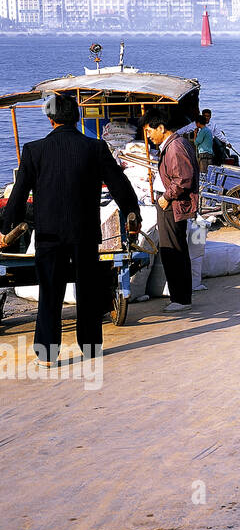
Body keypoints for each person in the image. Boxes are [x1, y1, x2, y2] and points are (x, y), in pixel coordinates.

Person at [0, 93, 140, 366]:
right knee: (88, 290)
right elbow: (120, 185)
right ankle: (90, 348)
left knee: (50, 293)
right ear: (76, 118)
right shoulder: (96, 148)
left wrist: (6, 228)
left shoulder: (34, 150)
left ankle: (47, 354)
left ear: (50, 118)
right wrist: (131, 214)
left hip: (49, 236)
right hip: (84, 233)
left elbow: (18, 195)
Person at [142, 109, 199, 313]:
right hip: (172, 205)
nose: (148, 136)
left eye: (150, 131)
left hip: (172, 206)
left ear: (161, 128)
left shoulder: (174, 147)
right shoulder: (173, 145)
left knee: (173, 251)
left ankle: (181, 299)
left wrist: (166, 197)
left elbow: (183, 179)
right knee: (176, 249)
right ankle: (181, 297)